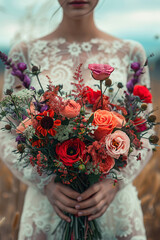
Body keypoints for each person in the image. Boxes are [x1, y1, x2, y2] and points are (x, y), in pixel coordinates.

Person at [0, 0, 153, 239]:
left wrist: (115, 184)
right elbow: (6, 132)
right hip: (49, 209)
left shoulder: (132, 52)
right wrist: (46, 184)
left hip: (113, 208)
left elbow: (145, 132)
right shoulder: (24, 53)